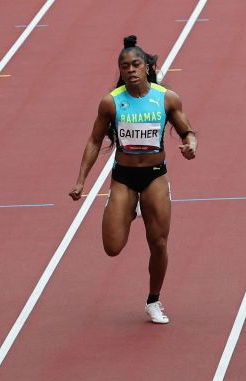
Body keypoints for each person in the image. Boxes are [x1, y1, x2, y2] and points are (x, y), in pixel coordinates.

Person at [69, 35, 196, 325]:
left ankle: (154, 300)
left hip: (154, 178)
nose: (130, 70)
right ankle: (127, 209)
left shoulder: (166, 98)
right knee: (112, 247)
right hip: (124, 178)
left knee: (159, 243)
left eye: (136, 64)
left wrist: (191, 146)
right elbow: (93, 140)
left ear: (148, 67)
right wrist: (81, 181)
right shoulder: (111, 103)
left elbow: (187, 131)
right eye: (124, 66)